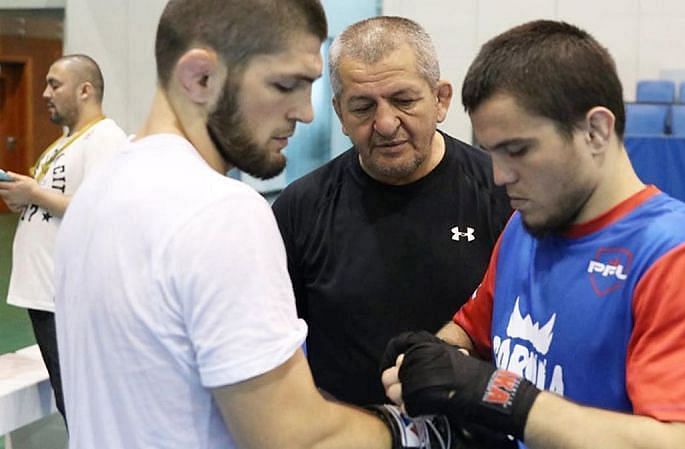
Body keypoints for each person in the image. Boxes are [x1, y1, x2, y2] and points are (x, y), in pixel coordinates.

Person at [52, 2, 445, 448]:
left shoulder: (96, 194)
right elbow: (296, 438)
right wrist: (419, 433)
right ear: (201, 78)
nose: (305, 112)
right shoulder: (220, 211)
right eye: (285, 85)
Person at [382, 20, 685, 449]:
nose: (500, 176)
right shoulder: (524, 228)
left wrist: (501, 397)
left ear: (595, 130)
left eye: (518, 150)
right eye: (492, 153)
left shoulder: (684, 261)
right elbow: (473, 330)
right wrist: (432, 358)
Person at [271, 16, 511, 406]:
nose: (385, 124)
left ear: (441, 99)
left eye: (404, 100)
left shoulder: (504, 195)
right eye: (362, 107)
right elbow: (274, 354)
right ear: (340, 113)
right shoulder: (300, 210)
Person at [0, 53, 127, 423]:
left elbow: (102, 209)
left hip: (69, 297)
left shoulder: (106, 139)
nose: (44, 93)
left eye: (54, 84)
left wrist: (35, 194)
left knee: (81, 403)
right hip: (47, 295)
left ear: (85, 90)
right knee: (68, 396)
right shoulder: (66, 143)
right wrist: (24, 197)